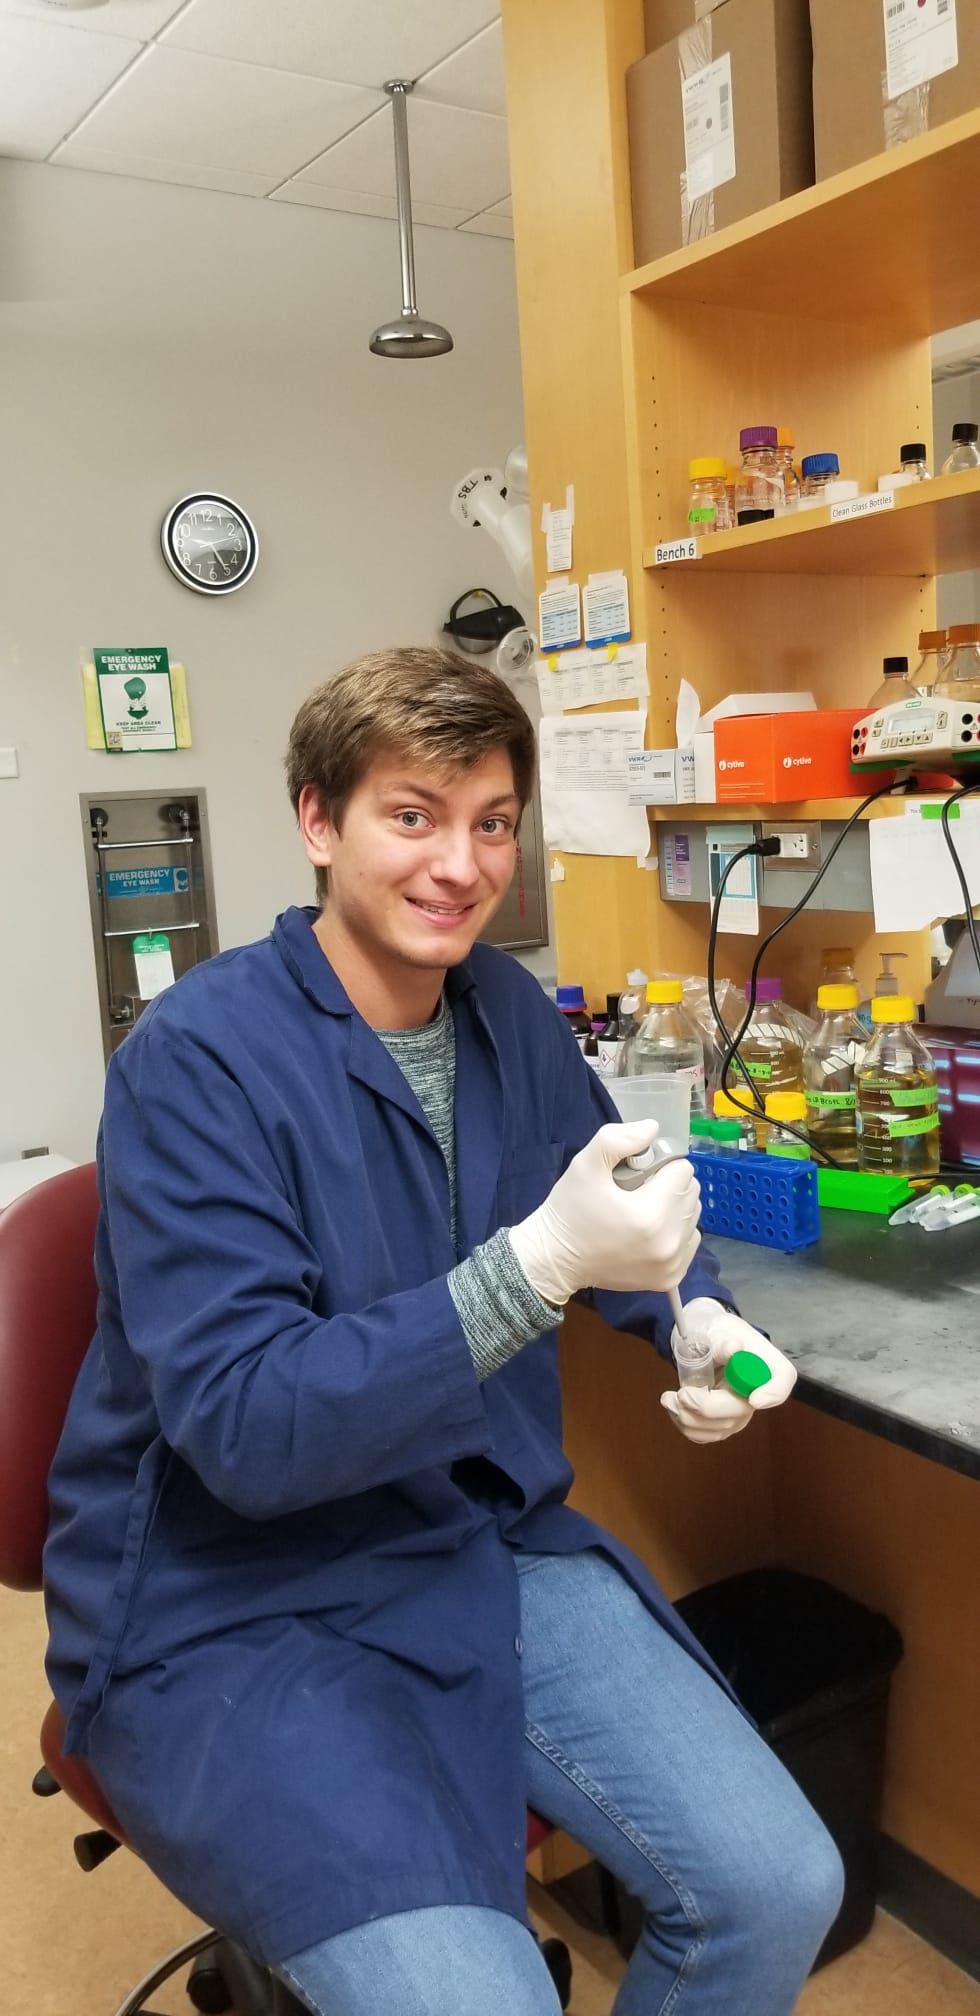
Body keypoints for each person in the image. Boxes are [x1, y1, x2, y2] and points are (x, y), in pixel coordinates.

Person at [44, 648, 843, 2016]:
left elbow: (617, 1191)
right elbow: (248, 1425)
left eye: (492, 823)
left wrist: (694, 1310)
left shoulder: (504, 1011)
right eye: (412, 815)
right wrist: (539, 1267)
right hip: (236, 1598)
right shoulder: (194, 1061)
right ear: (318, 820)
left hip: (471, 1534)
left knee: (777, 1886)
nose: (460, 866)